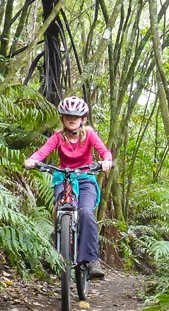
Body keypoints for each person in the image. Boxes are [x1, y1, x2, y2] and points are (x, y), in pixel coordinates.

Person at [24, 96, 112, 280]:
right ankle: (56, 247)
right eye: (67, 115)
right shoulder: (58, 137)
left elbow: (104, 151)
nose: (72, 119)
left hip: (85, 178)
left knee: (86, 212)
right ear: (62, 118)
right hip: (64, 178)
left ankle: (91, 259)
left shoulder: (89, 135)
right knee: (59, 207)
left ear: (83, 119)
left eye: (76, 116)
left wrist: (107, 161)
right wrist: (33, 159)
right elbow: (43, 151)